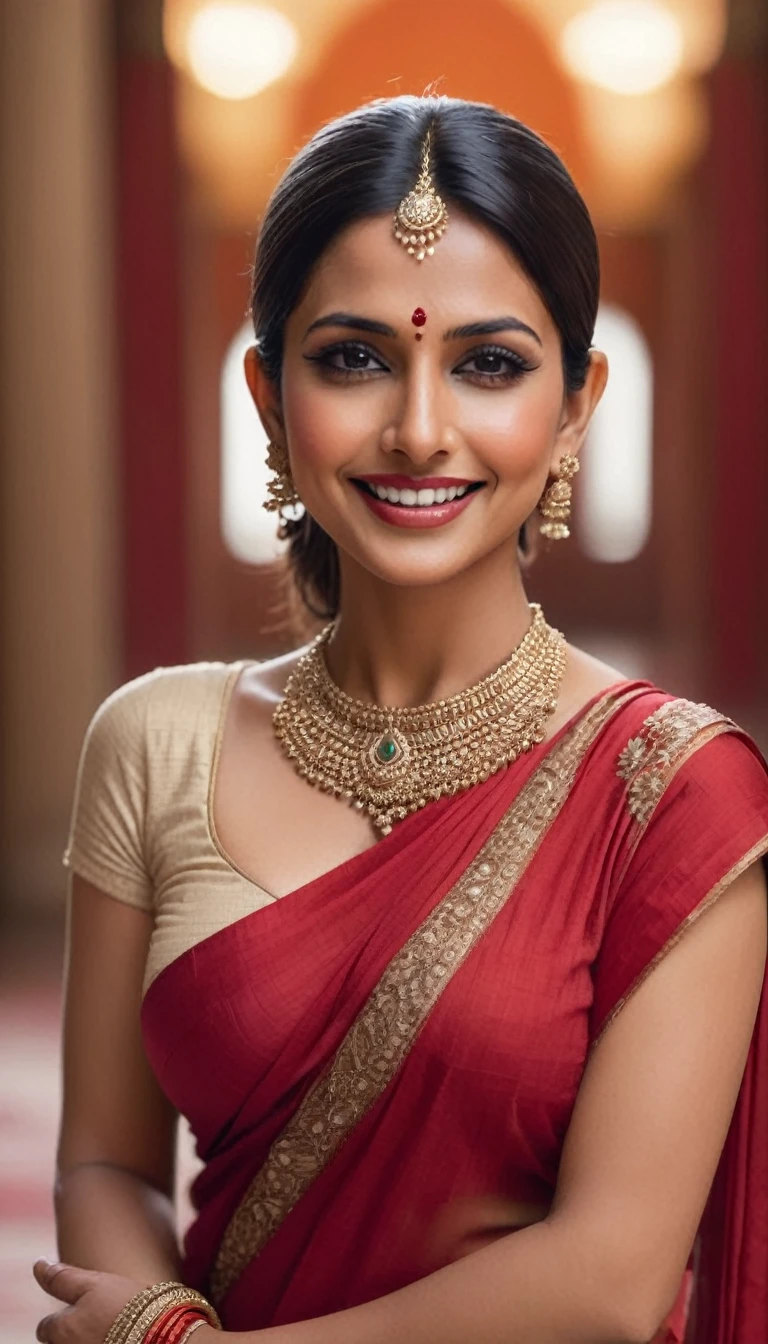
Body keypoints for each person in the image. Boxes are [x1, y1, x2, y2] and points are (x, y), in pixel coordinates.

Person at [33, 95, 768, 1344]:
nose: (421, 428)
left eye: (489, 363)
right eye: (353, 357)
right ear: (268, 393)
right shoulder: (154, 745)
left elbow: (609, 1280)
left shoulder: (673, 791)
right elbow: (105, 1164)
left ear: (577, 402)